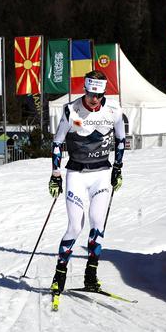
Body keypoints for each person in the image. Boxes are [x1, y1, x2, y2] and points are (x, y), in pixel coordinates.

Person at [47, 69, 125, 297]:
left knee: (97, 225)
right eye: (90, 93)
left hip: (101, 173)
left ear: (103, 95)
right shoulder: (71, 110)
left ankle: (91, 277)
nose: (93, 99)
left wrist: (118, 168)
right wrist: (55, 174)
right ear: (85, 90)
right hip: (77, 174)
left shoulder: (114, 111)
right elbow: (57, 142)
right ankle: (59, 276)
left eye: (98, 95)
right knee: (74, 226)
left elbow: (121, 140)